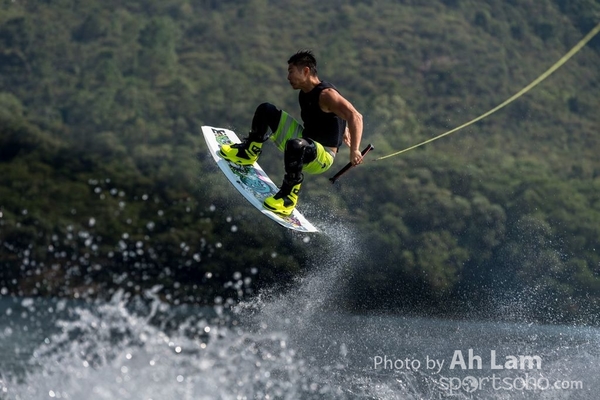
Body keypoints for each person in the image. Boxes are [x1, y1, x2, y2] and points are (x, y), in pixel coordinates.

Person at [219, 50, 364, 216]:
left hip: (322, 156)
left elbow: (356, 116)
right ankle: (248, 153)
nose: (288, 77)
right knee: (266, 110)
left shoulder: (326, 94)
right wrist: (343, 128)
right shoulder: (305, 93)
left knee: (296, 145)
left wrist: (355, 150)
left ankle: (288, 197)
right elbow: (333, 114)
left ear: (306, 71)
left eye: (291, 71)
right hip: (304, 141)